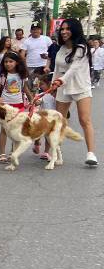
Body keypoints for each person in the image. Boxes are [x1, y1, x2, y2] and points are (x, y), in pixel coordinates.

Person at [50, 19, 96, 167]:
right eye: (62, 29)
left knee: (84, 120)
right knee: (59, 121)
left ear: (75, 30)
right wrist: (53, 84)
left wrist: (60, 81)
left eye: (67, 29)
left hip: (81, 86)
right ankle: (57, 153)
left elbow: (73, 69)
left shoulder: (82, 48)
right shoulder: (61, 48)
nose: (64, 31)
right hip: (63, 87)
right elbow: (57, 68)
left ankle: (91, 154)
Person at [0, 52, 34, 163]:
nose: (8, 64)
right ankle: (2, 154)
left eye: (11, 61)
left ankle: (13, 152)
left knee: (16, 130)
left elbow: (25, 89)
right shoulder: (2, 75)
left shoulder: (22, 75)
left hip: (19, 105)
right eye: (6, 62)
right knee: (4, 130)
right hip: (5, 105)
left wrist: (32, 100)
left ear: (17, 62)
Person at [20, 22, 52, 90]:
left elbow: (52, 52)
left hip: (43, 67)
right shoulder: (27, 41)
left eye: (37, 29)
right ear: (31, 31)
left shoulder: (46, 39)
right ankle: (32, 99)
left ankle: (42, 99)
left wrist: (46, 56)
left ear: (40, 30)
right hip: (30, 67)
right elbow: (22, 55)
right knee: (30, 86)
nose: (35, 31)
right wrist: (25, 68)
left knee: (43, 86)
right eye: (33, 29)